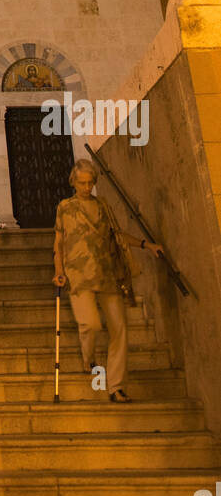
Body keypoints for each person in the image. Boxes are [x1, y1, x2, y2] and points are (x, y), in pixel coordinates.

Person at [53, 159, 162, 402]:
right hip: (78, 276)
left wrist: (146, 245)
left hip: (108, 274)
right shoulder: (65, 207)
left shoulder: (103, 206)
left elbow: (118, 235)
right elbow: (58, 244)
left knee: (119, 329)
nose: (86, 187)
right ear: (73, 182)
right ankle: (89, 358)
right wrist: (58, 270)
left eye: (90, 182)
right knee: (91, 324)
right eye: (82, 183)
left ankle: (116, 386)